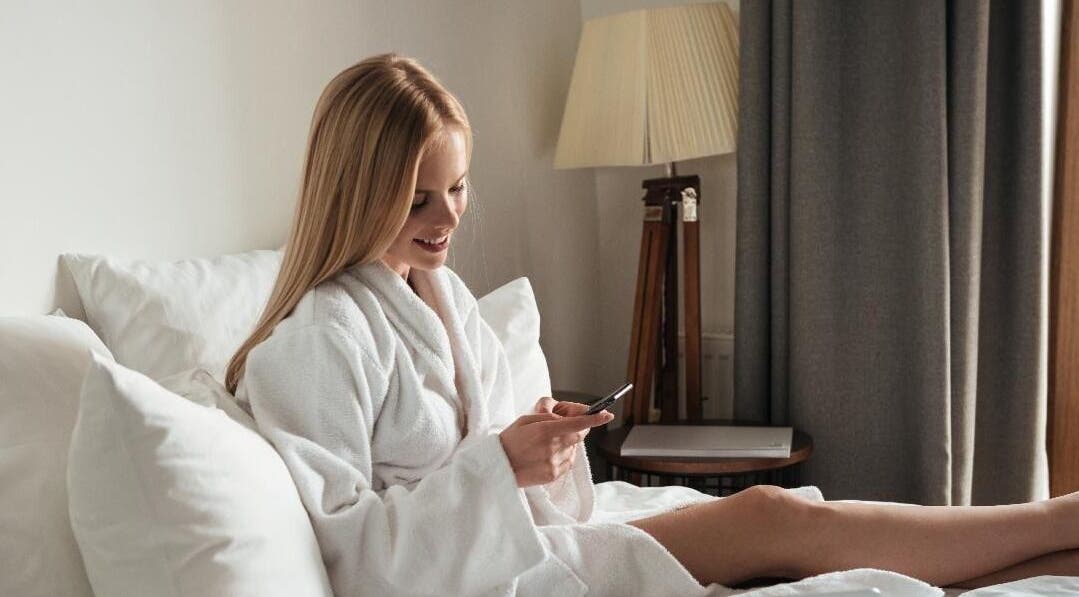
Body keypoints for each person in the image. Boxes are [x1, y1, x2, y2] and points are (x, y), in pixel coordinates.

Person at [224, 54, 1079, 597]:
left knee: (781, 526)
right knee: (776, 521)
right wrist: (498, 466)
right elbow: (349, 558)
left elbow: (510, 466)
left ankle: (1059, 543)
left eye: (457, 187)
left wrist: (539, 447)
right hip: (493, 574)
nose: (446, 215)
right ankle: (1057, 523)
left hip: (528, 539)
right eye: (418, 197)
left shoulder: (434, 298)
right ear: (354, 186)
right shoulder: (312, 344)